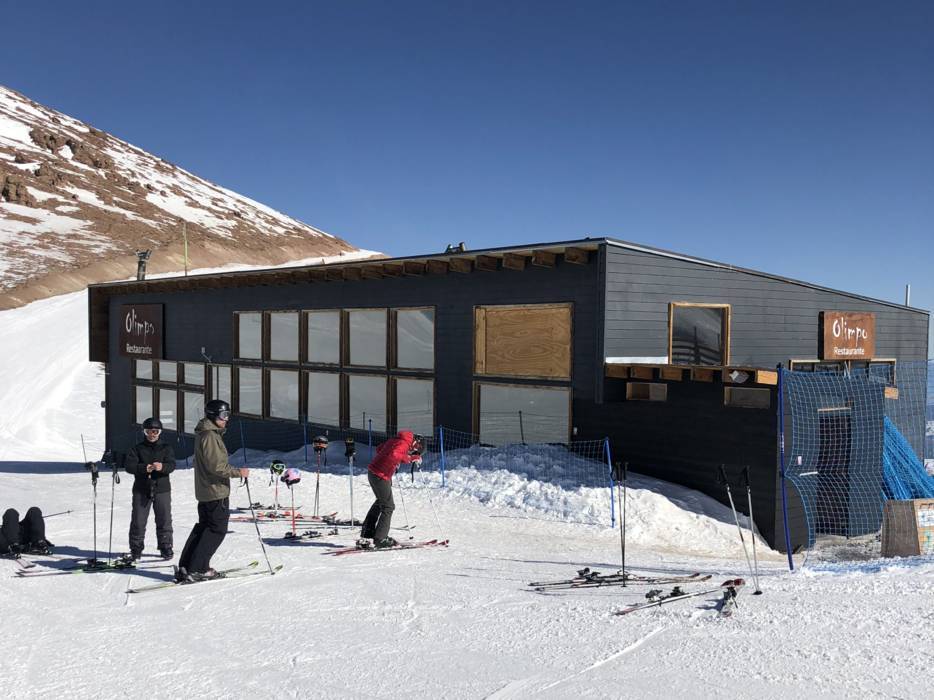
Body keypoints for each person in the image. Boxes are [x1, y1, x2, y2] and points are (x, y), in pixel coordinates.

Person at [176, 400, 249, 582]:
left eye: (228, 415)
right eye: (224, 415)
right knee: (216, 530)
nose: (226, 419)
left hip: (208, 490)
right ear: (213, 415)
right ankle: (198, 568)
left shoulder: (207, 433)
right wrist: (238, 472)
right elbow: (216, 466)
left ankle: (187, 566)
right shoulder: (209, 436)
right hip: (215, 490)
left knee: (205, 528)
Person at [360, 431, 423, 548]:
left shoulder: (396, 439)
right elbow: (394, 454)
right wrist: (409, 458)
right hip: (380, 475)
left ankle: (368, 531)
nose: (415, 449)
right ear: (414, 442)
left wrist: (394, 461)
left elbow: (380, 449)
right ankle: (380, 539)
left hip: (374, 472)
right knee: (388, 506)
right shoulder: (404, 443)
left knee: (380, 501)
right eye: (417, 446)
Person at [124, 417, 176, 560]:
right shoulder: (137, 448)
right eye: (149, 432)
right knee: (138, 520)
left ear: (160, 432)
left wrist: (162, 467)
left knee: (164, 519)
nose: (152, 435)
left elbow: (172, 465)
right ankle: (136, 548)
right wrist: (143, 468)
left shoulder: (166, 448)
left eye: (155, 431)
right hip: (142, 488)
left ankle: (166, 546)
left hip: (162, 488)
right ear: (144, 432)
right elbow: (129, 466)